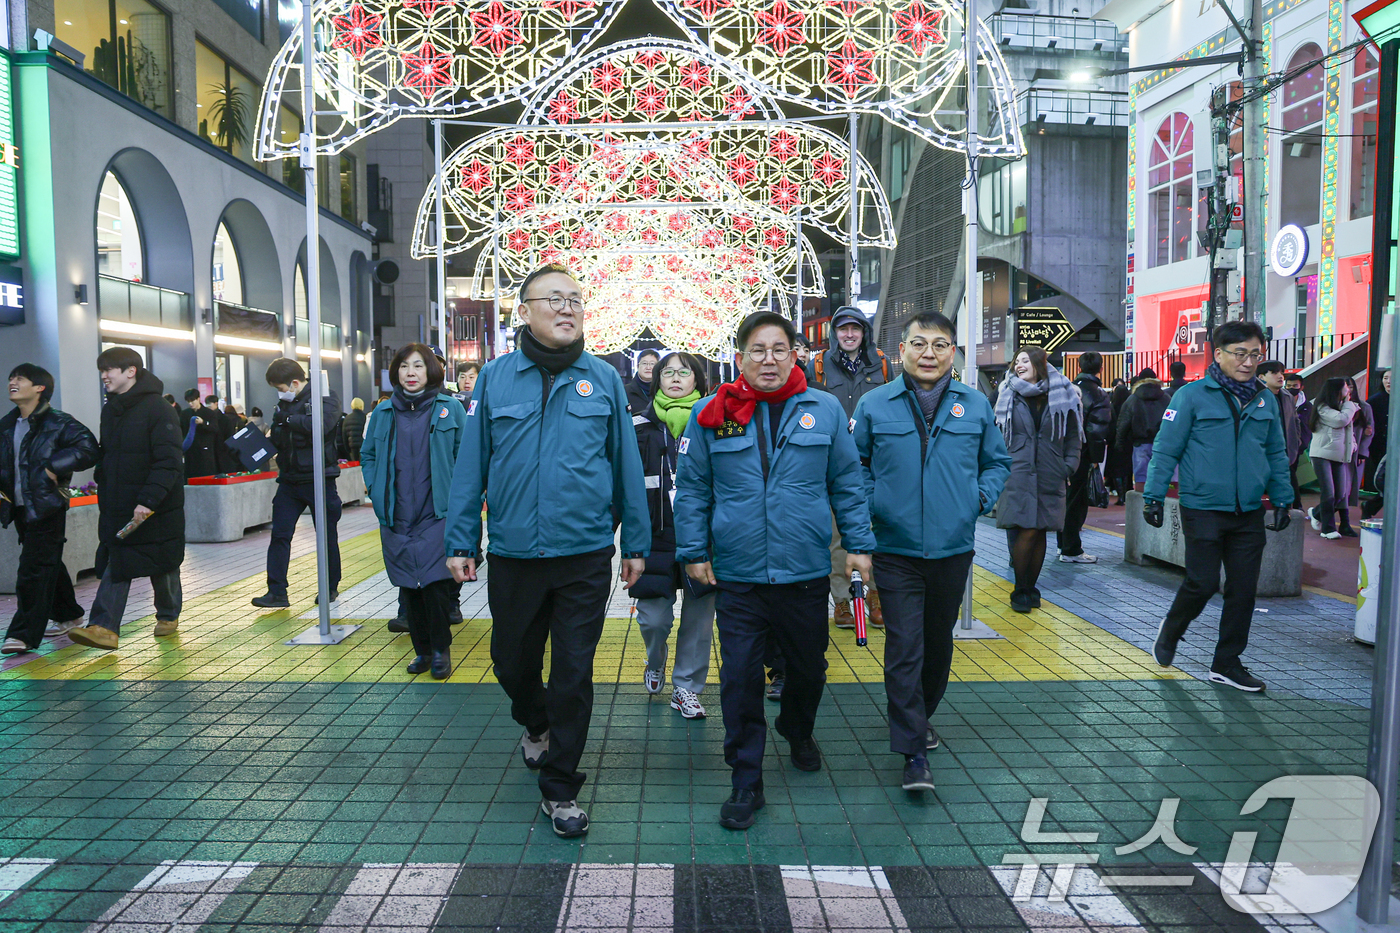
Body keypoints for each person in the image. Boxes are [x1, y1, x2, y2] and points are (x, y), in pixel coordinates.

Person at [446, 263, 649, 839]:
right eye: (554, 299)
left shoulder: (605, 380)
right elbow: (472, 465)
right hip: (513, 551)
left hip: (584, 554)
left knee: (574, 673)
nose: (567, 309)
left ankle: (560, 788)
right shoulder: (494, 378)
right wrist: (463, 539)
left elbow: (625, 467)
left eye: (576, 300)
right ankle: (534, 723)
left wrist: (636, 541)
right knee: (510, 662)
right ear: (525, 311)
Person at [674, 310, 874, 830]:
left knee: (808, 669)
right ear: (740, 358)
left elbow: (847, 483)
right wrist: (694, 552)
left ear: (795, 355)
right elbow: (693, 489)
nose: (768, 360)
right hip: (737, 575)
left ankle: (797, 727)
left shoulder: (824, 410)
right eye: (757, 351)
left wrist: (858, 546)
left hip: (804, 570)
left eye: (778, 350)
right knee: (739, 677)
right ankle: (746, 778)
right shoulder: (711, 412)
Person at [852, 311, 1010, 792]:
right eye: (919, 344)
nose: (929, 353)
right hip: (894, 546)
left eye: (940, 345)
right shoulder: (875, 404)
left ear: (952, 352)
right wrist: (871, 508)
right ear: (900, 351)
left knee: (938, 643)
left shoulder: (975, 404)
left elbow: (996, 462)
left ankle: (919, 715)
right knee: (904, 644)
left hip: (952, 545)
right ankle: (913, 751)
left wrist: (977, 500)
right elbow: (854, 465)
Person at [1145, 321, 1293, 693]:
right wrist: (1153, 495)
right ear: (1219, 354)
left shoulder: (1265, 399)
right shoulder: (1191, 396)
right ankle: (1172, 629)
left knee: (1243, 590)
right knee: (1203, 582)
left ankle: (1226, 662)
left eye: (1254, 355)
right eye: (1240, 353)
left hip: (1248, 511)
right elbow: (1166, 449)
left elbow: (1275, 452)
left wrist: (1283, 498)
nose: (1248, 362)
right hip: (1203, 506)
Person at [68, 348, 185, 650]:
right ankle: (104, 628)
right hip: (119, 505)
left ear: (131, 371)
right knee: (118, 562)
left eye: (110, 370)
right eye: (102, 370)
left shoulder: (158, 408)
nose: (104, 376)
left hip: (156, 506)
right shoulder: (112, 410)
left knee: (163, 561)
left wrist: (149, 500)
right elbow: (109, 456)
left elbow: (169, 461)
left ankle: (169, 614)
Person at [361, 344, 467, 680]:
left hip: (437, 512)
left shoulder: (449, 409)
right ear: (396, 373)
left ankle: (440, 651)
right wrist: (376, 490)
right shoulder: (382, 413)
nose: (411, 373)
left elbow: (467, 456)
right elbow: (368, 456)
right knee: (409, 585)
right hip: (396, 513)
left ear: (430, 371)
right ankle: (421, 650)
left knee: (435, 584)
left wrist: (463, 500)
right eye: (405, 366)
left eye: (418, 366)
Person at [631, 351, 714, 720]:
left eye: (684, 372)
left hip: (704, 537)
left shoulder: (715, 422)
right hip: (654, 537)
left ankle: (686, 688)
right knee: (653, 619)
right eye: (668, 373)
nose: (676, 378)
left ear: (697, 379)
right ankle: (655, 659)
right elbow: (624, 488)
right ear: (656, 380)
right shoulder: (638, 426)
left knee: (699, 620)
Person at [0, 364, 100, 654]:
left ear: (40, 387)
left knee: (33, 568)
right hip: (18, 508)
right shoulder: (7, 425)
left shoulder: (58, 422)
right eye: (10, 378)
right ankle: (69, 615)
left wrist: (54, 468)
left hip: (47, 507)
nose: (12, 382)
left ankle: (22, 635)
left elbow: (88, 448)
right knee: (47, 563)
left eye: (20, 378)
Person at [810, 305, 889, 628]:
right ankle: (842, 600)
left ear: (864, 332)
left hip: (874, 463)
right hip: (832, 462)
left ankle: (875, 593)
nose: (849, 334)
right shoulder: (818, 365)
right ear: (835, 334)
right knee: (836, 535)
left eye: (855, 329)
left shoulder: (880, 363)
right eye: (843, 329)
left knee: (877, 530)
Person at [994, 347, 1082, 613]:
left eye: (1025, 361)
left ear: (1039, 364)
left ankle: (1030, 588)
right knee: (1025, 529)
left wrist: (1068, 466)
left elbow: (1073, 435)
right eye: (1016, 361)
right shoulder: (1006, 392)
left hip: (1050, 471)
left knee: (1040, 530)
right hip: (1016, 471)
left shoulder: (1065, 392)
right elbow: (995, 433)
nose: (1019, 365)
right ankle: (1021, 589)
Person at [251, 359, 343, 609]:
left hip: (319, 478)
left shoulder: (325, 397)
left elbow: (321, 426)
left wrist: (288, 419)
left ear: (294, 383)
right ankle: (277, 591)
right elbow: (280, 436)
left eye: (281, 387)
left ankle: (329, 587)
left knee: (326, 536)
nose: (280, 393)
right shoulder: (284, 403)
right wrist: (254, 448)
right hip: (289, 480)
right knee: (280, 535)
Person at [1056, 351, 1112, 563]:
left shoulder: (1067, 388)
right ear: (1101, 368)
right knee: (1077, 502)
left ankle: (1062, 544)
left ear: (1078, 366)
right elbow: (1097, 431)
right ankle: (1071, 549)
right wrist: (1096, 460)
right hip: (1082, 453)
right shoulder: (1098, 394)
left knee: (1065, 498)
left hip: (1062, 451)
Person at [1305, 377, 1359, 539]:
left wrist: (1353, 446)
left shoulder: (1342, 407)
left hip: (1339, 455)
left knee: (1341, 494)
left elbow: (1348, 431)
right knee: (1328, 492)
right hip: (1321, 454)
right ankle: (1327, 529)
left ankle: (1316, 513)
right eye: (1345, 387)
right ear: (1337, 390)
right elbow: (1341, 421)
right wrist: (1350, 405)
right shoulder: (1322, 407)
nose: (1348, 390)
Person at [1257, 361, 1302, 505]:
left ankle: (1293, 511)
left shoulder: (1287, 396)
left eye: (1281, 373)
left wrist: (1297, 441)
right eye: (1274, 373)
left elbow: (1295, 421)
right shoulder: (1256, 397)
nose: (1280, 376)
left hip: (1286, 451)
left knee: (1288, 488)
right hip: (1263, 452)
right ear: (1262, 377)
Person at [1117, 368, 1170, 489]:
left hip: (1140, 444)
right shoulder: (1166, 398)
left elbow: (1123, 423)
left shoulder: (1133, 399)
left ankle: (1142, 504)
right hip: (1162, 443)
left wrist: (1120, 444)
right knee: (1161, 476)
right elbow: (1173, 420)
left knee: (1141, 478)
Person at [1346, 376, 1375, 523]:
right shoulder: (1332, 407)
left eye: (1350, 386)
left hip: (1356, 453)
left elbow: (1369, 431)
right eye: (1345, 386)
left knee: (1351, 487)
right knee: (1339, 489)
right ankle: (1322, 514)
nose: (1348, 390)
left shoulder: (1364, 407)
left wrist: (1363, 451)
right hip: (1337, 452)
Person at [1106, 378, 1133, 504]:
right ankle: (1127, 493)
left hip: (1114, 443)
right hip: (1128, 442)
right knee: (1127, 469)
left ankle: (1120, 495)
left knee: (1116, 470)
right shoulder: (1129, 406)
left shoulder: (1112, 407)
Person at [180, 389, 219, 478]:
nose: (190, 404)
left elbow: (215, 428)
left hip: (204, 451)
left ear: (198, 399)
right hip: (190, 451)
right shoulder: (185, 414)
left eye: (192, 401)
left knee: (205, 476)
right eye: (188, 401)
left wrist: (203, 423)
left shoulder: (208, 413)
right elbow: (181, 429)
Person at [1365, 369, 1390, 495]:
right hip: (1378, 446)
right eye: (1385, 378)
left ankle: (1370, 507)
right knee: (1384, 479)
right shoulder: (1374, 400)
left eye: (1392, 378)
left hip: (1393, 445)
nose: (1389, 382)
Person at [626, 348, 660, 414]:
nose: (648, 367)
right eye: (644, 363)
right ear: (638, 366)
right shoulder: (625, 391)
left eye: (652, 364)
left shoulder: (665, 390)